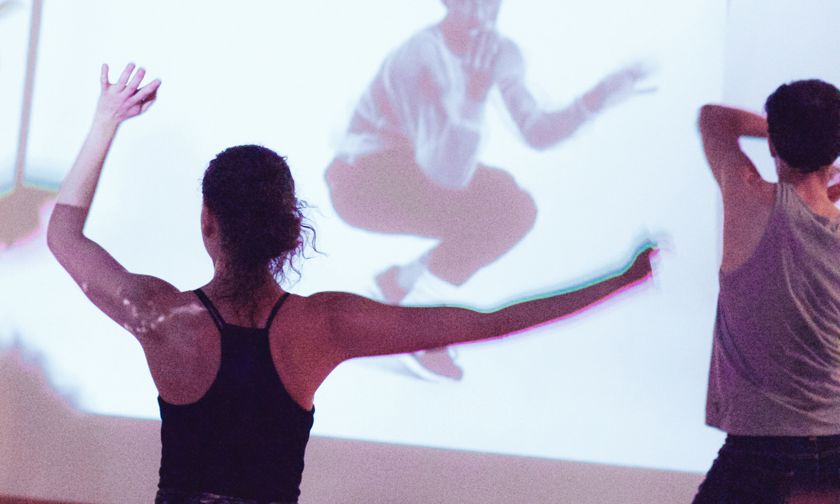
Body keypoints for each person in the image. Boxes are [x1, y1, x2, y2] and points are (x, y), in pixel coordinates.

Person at [47, 63, 655, 504]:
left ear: (208, 223)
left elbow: (63, 236)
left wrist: (107, 120)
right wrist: (621, 280)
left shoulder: (161, 316)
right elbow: (493, 323)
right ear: (289, 229)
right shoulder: (326, 326)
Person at [325, 0, 653, 380]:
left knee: (513, 205)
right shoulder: (421, 56)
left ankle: (401, 288)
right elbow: (447, 176)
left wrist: (596, 99)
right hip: (361, 183)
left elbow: (536, 131)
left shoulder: (500, 52)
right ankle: (417, 326)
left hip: (412, 172)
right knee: (502, 203)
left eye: (490, 4)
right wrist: (474, 96)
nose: (482, 15)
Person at [694, 79, 840, 503]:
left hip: (761, 454)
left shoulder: (750, 201)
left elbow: (712, 118)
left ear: (774, 142)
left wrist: (784, 129)